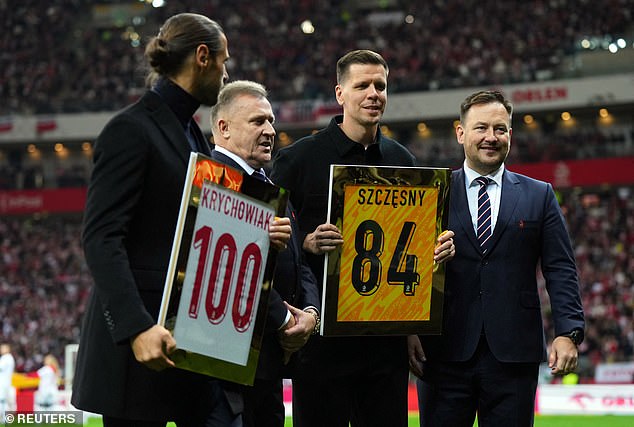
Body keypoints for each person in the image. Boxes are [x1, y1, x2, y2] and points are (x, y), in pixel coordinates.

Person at [71, 13, 243, 426]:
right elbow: (101, 238)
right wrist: (136, 329)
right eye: (223, 61)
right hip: (140, 355)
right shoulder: (130, 129)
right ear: (202, 57)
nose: (225, 73)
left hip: (189, 351)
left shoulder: (194, 135)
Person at [270, 49, 455, 427]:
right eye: (362, 85)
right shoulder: (299, 159)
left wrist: (412, 327)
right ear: (340, 93)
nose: (373, 93)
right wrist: (304, 243)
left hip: (384, 346)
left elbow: (413, 255)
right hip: (321, 342)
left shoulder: (403, 161)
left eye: (381, 86)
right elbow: (265, 239)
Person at [408, 90, 585, 427]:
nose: (491, 137)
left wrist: (568, 332)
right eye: (481, 128)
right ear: (460, 133)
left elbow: (561, 268)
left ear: (510, 136)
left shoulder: (540, 194)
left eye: (500, 129)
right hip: (443, 353)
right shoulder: (432, 192)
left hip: (513, 357)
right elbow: (407, 269)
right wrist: (408, 331)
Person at [209, 80, 321, 427]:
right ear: (223, 128)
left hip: (269, 365)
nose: (271, 130)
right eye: (258, 121)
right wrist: (287, 321)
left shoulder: (271, 187)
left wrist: (310, 314)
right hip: (221, 368)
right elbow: (226, 271)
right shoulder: (211, 181)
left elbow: (298, 264)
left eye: (271, 121)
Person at [0, 343, 16, 417]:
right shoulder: (9, 357)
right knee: (4, 401)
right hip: (6, 382)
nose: (1, 350)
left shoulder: (6, 357)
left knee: (2, 401)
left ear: (7, 349)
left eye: (2, 348)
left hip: (3, 383)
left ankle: (4, 418)